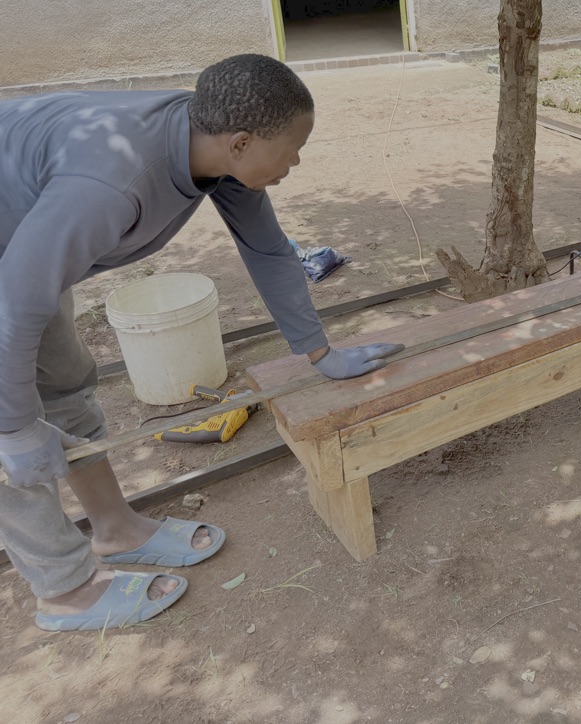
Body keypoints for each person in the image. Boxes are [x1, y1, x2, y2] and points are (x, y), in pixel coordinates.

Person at [0, 54, 401, 632]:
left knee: (67, 388)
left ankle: (114, 529)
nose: (296, 160)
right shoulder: (111, 181)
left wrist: (319, 353)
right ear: (240, 142)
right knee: (11, 442)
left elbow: (267, 250)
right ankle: (64, 590)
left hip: (23, 258)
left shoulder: (210, 148)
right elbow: (16, 303)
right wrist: (14, 427)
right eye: (292, 147)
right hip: (13, 275)